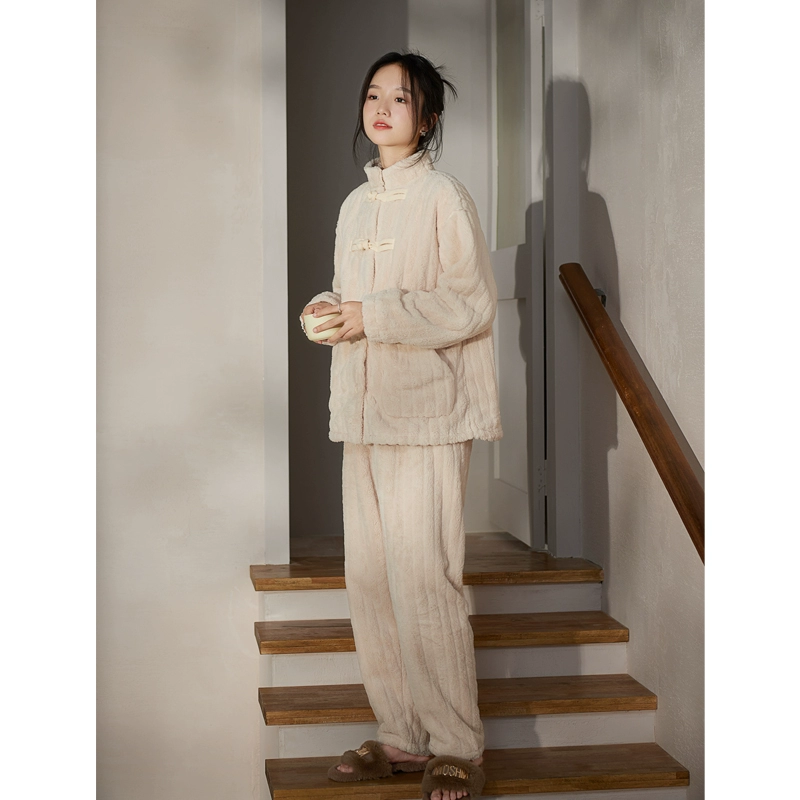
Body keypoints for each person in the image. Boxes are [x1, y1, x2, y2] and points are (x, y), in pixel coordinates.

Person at [299, 51, 502, 800]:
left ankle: (456, 745)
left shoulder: (445, 197)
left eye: (402, 98)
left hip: (427, 411)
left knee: (424, 578)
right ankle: (400, 735)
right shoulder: (355, 206)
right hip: (363, 409)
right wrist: (328, 312)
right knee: (370, 579)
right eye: (374, 95)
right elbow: (350, 296)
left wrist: (372, 316)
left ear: (429, 118)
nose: (383, 108)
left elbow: (469, 304)